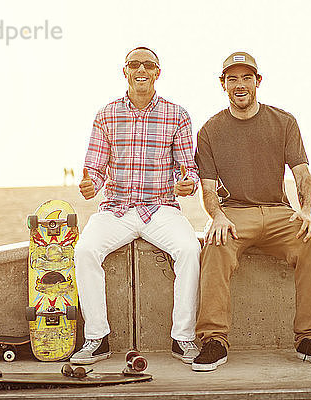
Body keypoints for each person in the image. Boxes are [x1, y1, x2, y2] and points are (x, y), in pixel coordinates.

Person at [192, 51, 311, 371]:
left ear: (258, 82)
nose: (239, 84)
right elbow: (208, 187)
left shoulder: (284, 122)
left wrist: (307, 211)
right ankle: (214, 340)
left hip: (278, 212)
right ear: (223, 85)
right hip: (234, 213)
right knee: (214, 244)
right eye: (232, 79)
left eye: (246, 78)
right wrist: (216, 216)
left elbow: (302, 174)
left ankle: (309, 337)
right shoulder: (210, 130)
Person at [71, 47, 201, 365]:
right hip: (116, 208)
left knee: (189, 250)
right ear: (125, 71)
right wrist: (91, 185)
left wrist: (188, 183)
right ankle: (96, 338)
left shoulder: (177, 114)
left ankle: (182, 338)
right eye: (134, 64)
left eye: (148, 65)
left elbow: (189, 169)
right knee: (85, 251)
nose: (141, 69)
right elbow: (95, 170)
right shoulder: (105, 115)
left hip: (161, 208)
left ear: (158, 72)